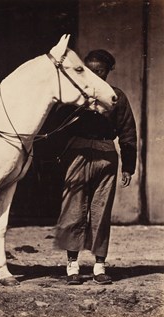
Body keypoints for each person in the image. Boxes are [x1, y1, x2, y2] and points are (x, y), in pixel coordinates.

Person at [53, 49, 137, 285]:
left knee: (101, 211)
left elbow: (128, 132)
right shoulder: (75, 95)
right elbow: (58, 126)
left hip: (106, 157)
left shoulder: (116, 97)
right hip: (77, 156)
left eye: (99, 70)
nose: (94, 74)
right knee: (73, 209)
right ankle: (72, 266)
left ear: (109, 71)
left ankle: (100, 266)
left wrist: (128, 166)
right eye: (89, 69)